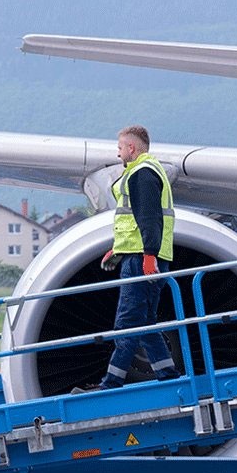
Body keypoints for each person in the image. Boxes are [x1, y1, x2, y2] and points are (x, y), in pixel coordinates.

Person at [83, 125, 179, 391]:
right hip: (142, 255)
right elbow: (137, 221)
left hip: (142, 260)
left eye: (120, 148)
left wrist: (147, 256)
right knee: (145, 321)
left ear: (131, 148)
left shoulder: (142, 174)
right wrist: (119, 250)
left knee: (126, 322)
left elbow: (149, 219)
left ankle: (111, 382)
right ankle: (168, 375)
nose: (118, 154)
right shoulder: (149, 172)